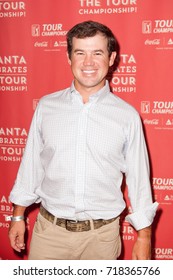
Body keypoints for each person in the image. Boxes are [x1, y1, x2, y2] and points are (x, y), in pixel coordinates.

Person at [8, 20, 158, 260]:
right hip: (49, 235)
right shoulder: (46, 107)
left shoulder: (127, 116)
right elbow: (31, 167)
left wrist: (144, 236)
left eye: (97, 53)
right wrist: (17, 216)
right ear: (69, 58)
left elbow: (140, 181)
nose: (88, 62)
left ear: (111, 58)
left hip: (102, 240)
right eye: (80, 53)